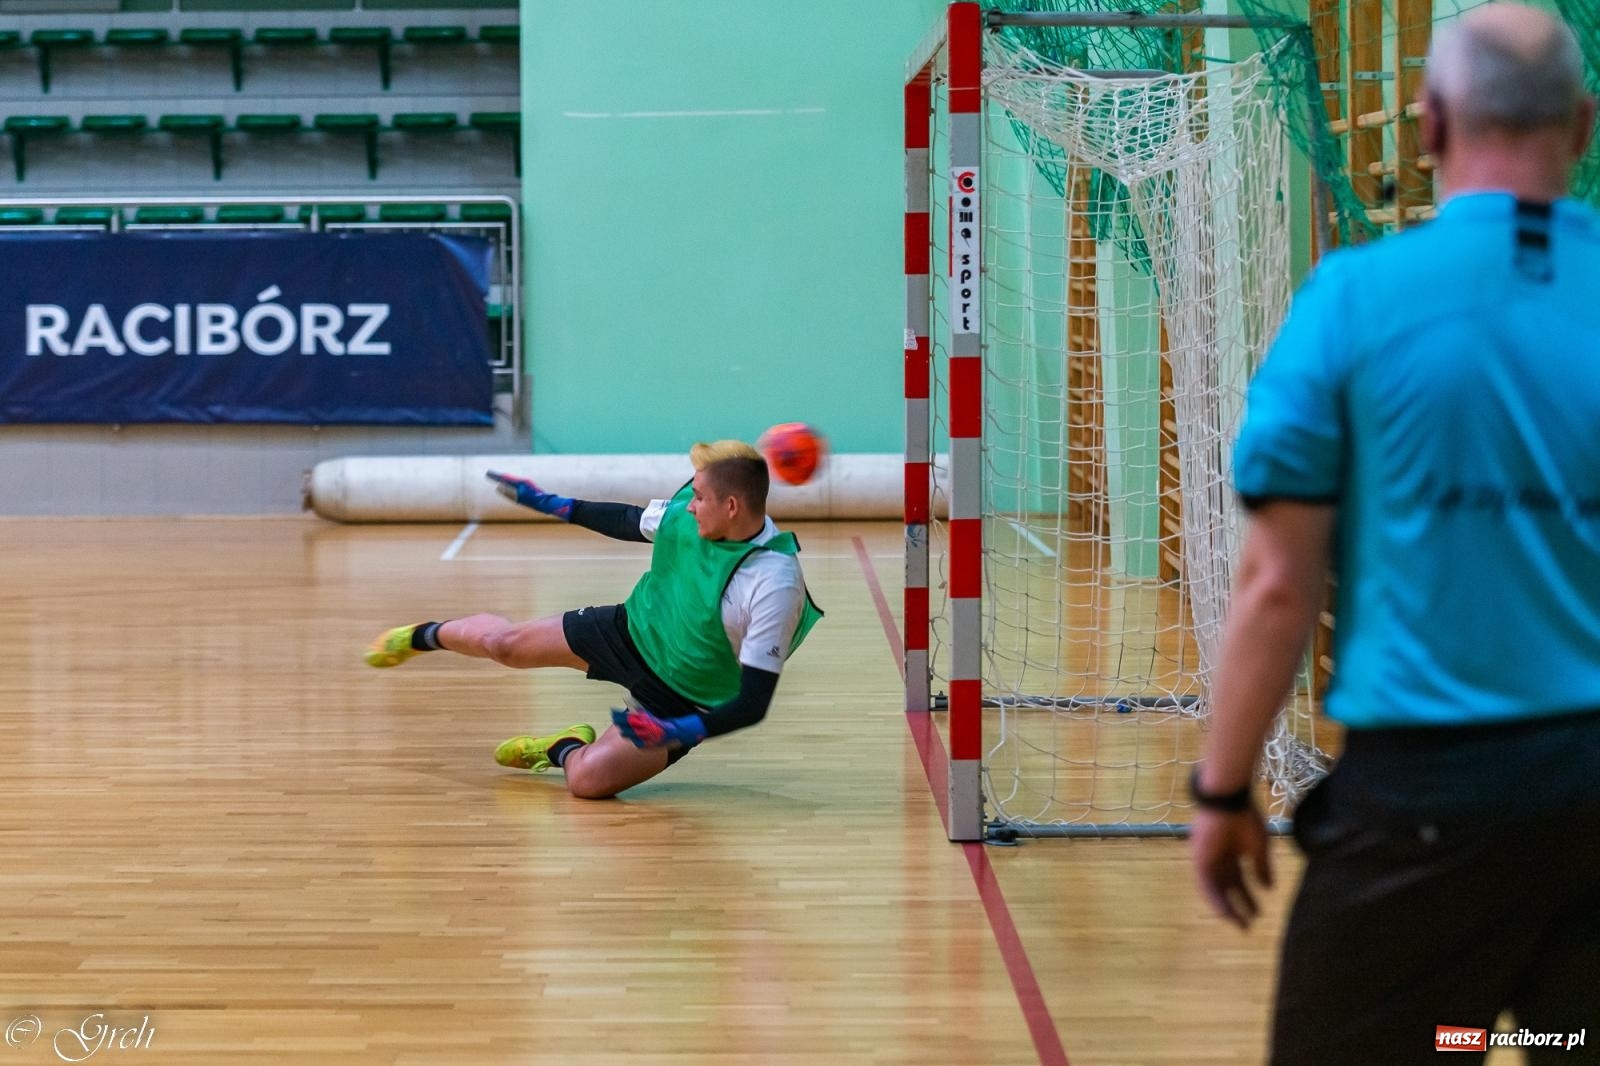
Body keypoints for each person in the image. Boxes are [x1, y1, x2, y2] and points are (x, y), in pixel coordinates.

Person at [1188, 6, 1600, 1063]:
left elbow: (1277, 583)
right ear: (1584, 124)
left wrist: (1223, 787)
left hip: (1427, 802)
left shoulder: (1353, 301)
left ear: (1428, 126)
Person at [365, 440, 823, 799]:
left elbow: (753, 702)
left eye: (699, 498)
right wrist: (551, 503)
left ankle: (560, 747)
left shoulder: (774, 583)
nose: (687, 504)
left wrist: (676, 731)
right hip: (631, 631)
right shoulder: (695, 515)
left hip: (683, 700)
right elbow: (628, 520)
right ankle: (421, 636)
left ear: (731, 508)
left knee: (586, 783)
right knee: (504, 646)